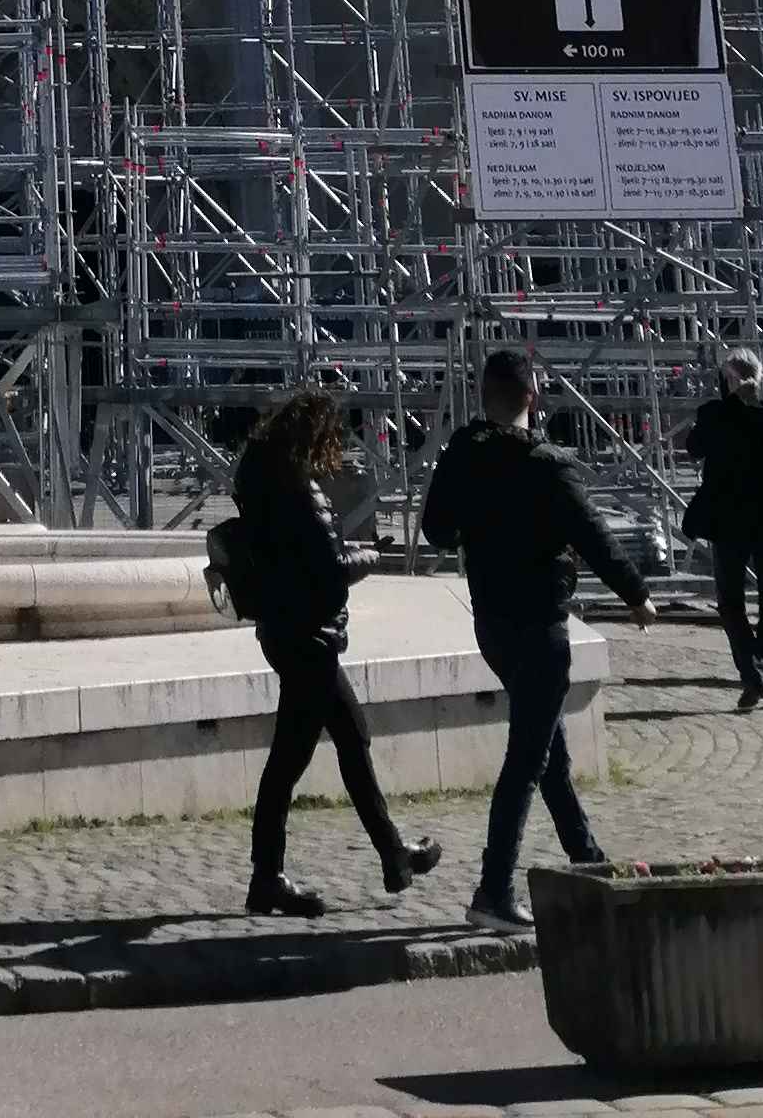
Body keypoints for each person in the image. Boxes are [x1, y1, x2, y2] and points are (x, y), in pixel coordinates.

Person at [420, 346, 651, 932]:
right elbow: (592, 532)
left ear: (484, 394)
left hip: (491, 621)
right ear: (534, 396)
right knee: (527, 759)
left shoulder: (463, 453)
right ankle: (493, 890)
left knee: (548, 749)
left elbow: (437, 530)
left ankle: (587, 861)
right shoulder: (549, 465)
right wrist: (635, 593)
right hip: (541, 623)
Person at [228, 382, 443, 917]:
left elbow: (298, 557)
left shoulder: (260, 479)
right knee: (303, 758)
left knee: (342, 743)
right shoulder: (300, 489)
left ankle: (389, 856)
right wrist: (369, 557)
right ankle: (273, 877)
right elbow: (328, 573)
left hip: (284, 630)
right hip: (310, 636)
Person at [684, 345, 763, 710]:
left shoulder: (717, 415)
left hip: (731, 521)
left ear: (728, 380)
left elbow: (694, 447)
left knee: (732, 603)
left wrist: (733, 402)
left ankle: (754, 678)